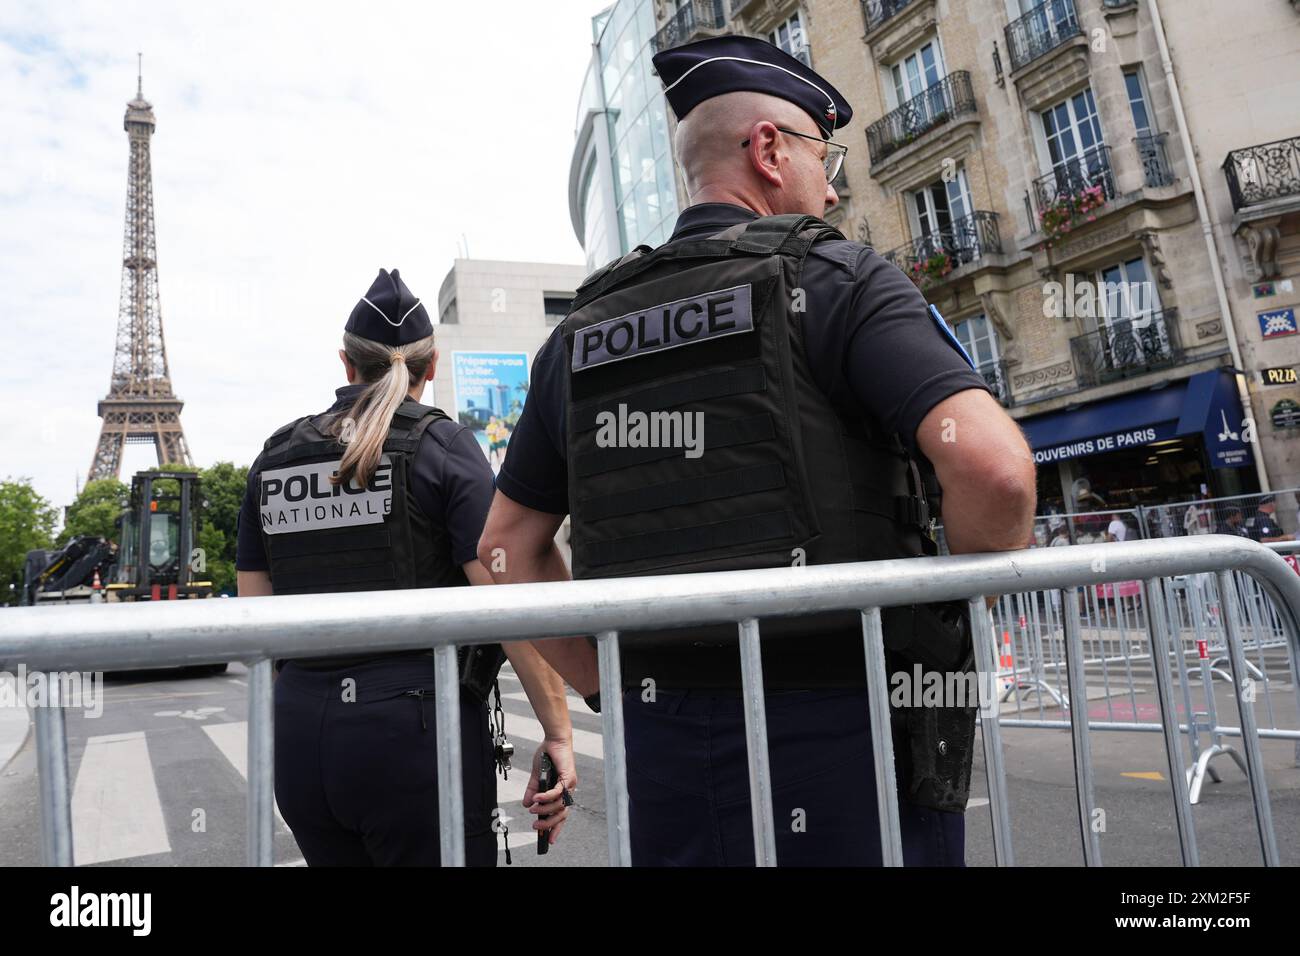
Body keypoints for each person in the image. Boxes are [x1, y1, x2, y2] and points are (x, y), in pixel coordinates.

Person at [477, 35, 1036, 866]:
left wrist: (604, 684)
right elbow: (994, 468)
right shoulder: (841, 279)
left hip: (662, 739)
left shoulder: (579, 334)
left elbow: (501, 551)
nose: (834, 184)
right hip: (846, 723)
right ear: (771, 149)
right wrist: (959, 580)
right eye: (825, 155)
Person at [235, 268, 576, 866]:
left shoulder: (276, 457)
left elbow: (259, 620)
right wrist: (558, 731)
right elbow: (507, 602)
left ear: (346, 364)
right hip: (415, 735)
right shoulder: (441, 445)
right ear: (432, 365)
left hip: (301, 736)